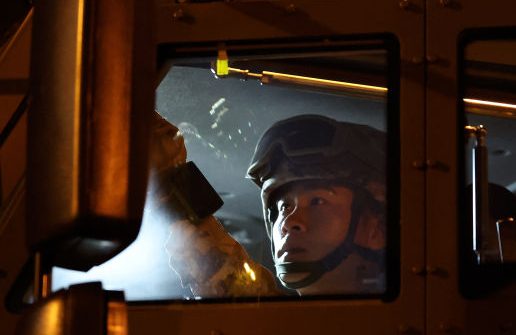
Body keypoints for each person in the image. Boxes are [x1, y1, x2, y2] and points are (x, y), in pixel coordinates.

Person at [156, 113, 387, 298]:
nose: (289, 222)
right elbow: (216, 261)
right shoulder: (279, 324)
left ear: (377, 228)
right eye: (284, 206)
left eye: (317, 201)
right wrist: (169, 171)